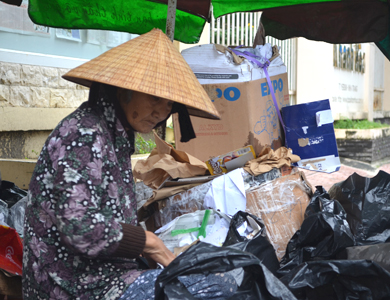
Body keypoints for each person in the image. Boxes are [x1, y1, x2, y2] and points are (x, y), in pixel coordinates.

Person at [21, 28, 233, 299]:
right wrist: (149, 243)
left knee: (222, 275)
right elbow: (80, 227)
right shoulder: (83, 133)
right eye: (154, 98)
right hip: (71, 284)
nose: (160, 112)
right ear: (124, 90)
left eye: (169, 103)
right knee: (212, 287)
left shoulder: (116, 135)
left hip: (110, 273)